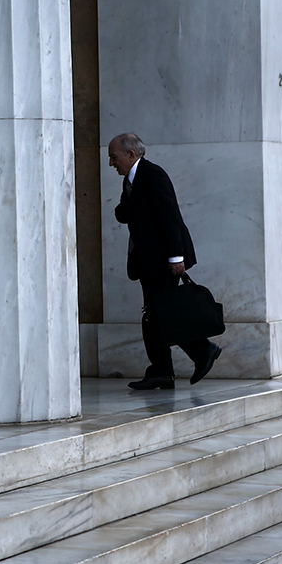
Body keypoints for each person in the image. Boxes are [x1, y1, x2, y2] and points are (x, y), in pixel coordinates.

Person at [109, 132, 221, 389]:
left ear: (130, 154)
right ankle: (162, 369)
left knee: (162, 313)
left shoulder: (152, 175)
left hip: (164, 261)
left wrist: (176, 257)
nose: (111, 163)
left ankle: (202, 350)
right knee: (156, 314)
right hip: (149, 262)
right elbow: (123, 213)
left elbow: (169, 217)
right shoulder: (132, 180)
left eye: (114, 157)